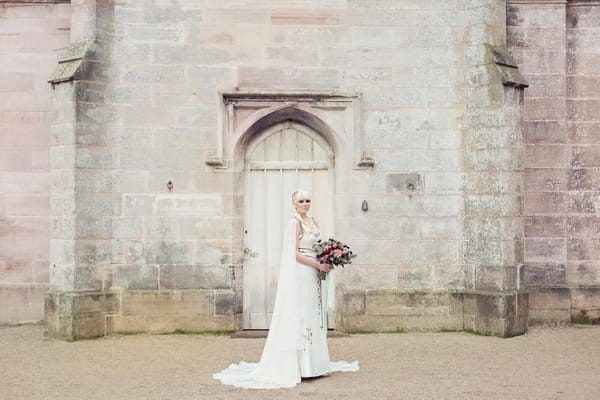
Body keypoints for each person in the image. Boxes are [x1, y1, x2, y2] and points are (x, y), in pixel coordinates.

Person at [213, 189, 359, 389]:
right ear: (294, 204)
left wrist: (329, 258)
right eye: (301, 201)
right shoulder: (294, 223)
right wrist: (317, 264)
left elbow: (319, 246)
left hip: (314, 274)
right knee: (300, 313)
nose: (305, 204)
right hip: (301, 271)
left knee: (313, 313)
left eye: (308, 200)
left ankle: (315, 364)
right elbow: (294, 254)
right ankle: (300, 366)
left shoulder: (314, 222)